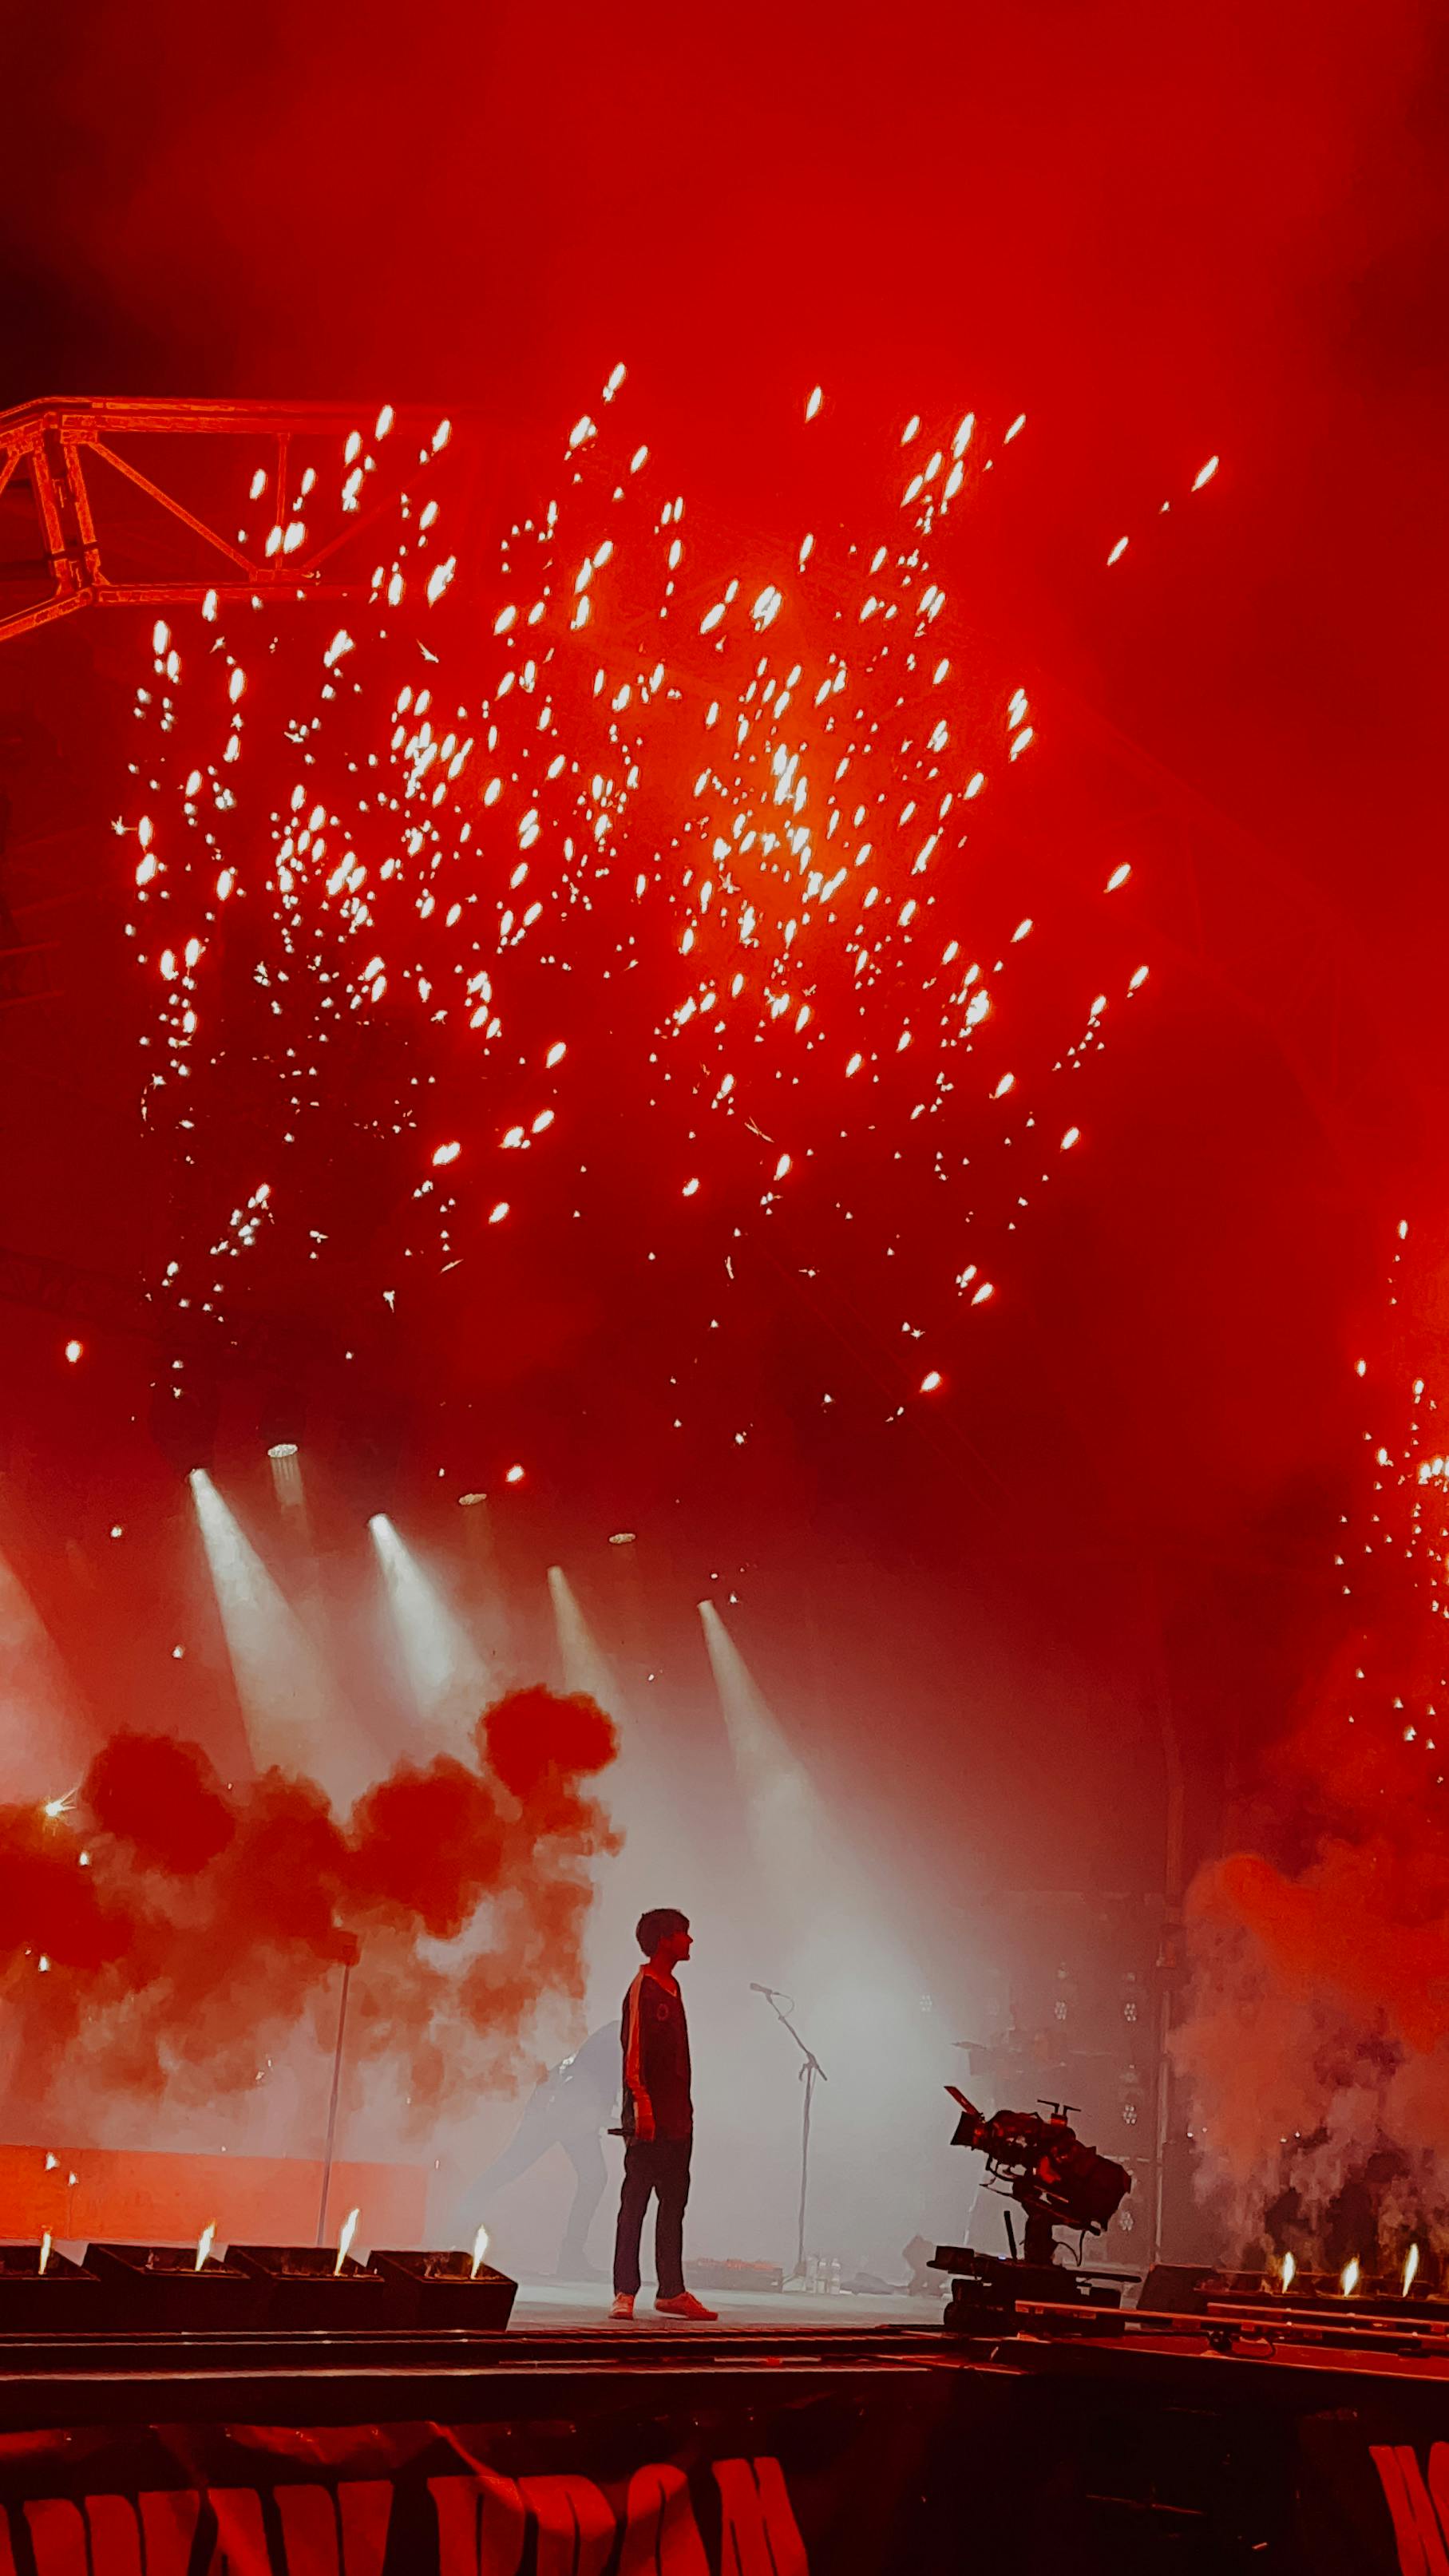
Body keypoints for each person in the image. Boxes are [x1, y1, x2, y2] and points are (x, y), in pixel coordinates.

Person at [609, 1906, 716, 2321]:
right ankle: (624, 2290)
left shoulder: (673, 1987)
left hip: (679, 2120)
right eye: (683, 1934)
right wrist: (643, 2108)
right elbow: (633, 2054)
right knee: (634, 2202)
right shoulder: (643, 1988)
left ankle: (671, 2290)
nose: (689, 1941)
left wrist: (682, 2115)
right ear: (663, 1940)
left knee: (674, 2204)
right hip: (649, 2119)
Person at [472, 2024, 618, 2278]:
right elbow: (602, 2083)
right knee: (509, 2168)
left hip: (564, 2109)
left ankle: (571, 2258)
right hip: (558, 2110)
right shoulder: (624, 2034)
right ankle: (455, 2228)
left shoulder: (619, 2033)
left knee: (591, 2177)